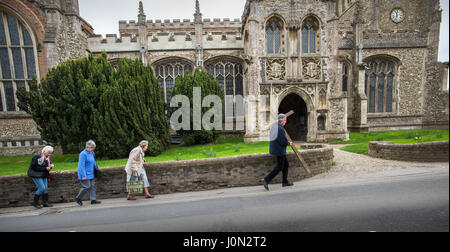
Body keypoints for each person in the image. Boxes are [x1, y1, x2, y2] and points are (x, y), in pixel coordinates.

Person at [260, 113, 294, 191]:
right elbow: (283, 141)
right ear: (281, 121)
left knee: (285, 165)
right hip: (279, 151)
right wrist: (289, 143)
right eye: (285, 120)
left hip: (275, 149)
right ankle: (266, 180)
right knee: (279, 167)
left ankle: (285, 181)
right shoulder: (280, 128)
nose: (286, 122)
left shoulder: (274, 127)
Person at [75, 140, 101, 206]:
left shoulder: (92, 153)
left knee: (92, 186)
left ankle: (93, 200)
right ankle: (78, 198)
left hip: (91, 172)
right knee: (87, 186)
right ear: (88, 147)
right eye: (92, 148)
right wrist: (83, 175)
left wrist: (96, 167)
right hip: (84, 173)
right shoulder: (83, 154)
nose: (93, 149)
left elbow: (93, 161)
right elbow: (81, 166)